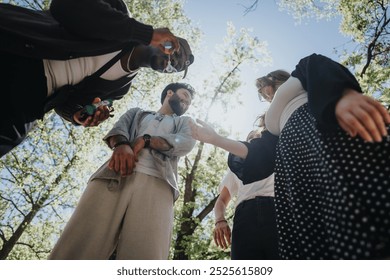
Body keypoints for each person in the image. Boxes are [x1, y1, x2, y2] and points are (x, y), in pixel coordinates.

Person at [228, 53, 390, 259]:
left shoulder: (297, 77)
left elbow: (315, 65)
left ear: (272, 81)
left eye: (262, 89)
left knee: (357, 198)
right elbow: (260, 156)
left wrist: (342, 95)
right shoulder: (269, 122)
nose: (263, 95)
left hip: (318, 130)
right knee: (315, 231)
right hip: (292, 164)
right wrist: (214, 138)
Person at [0, 0, 194, 157]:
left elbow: (67, 106)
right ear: (165, 39)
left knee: (10, 137)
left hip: (30, 101)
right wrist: (146, 33)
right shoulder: (118, 13)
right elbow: (65, 6)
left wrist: (79, 115)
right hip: (18, 48)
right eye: (175, 53)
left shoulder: (120, 89)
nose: (172, 63)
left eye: (175, 68)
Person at [49, 82, 196, 260]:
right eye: (185, 96)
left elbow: (185, 142)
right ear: (169, 93)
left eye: (189, 102)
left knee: (147, 255)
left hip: (159, 183)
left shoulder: (185, 122)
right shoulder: (137, 113)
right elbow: (118, 130)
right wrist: (121, 144)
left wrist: (146, 139)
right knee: (78, 245)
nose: (187, 103)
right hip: (112, 176)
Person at [213, 125, 279, 260]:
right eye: (250, 138)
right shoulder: (237, 167)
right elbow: (221, 200)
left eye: (259, 136)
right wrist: (220, 220)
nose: (254, 139)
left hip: (277, 211)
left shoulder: (278, 156)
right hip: (246, 216)